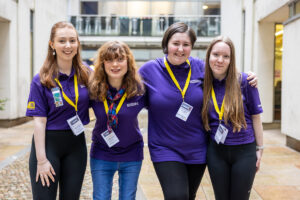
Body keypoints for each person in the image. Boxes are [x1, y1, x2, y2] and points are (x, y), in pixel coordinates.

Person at [139, 22, 258, 200]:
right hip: (165, 147)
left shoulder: (202, 68)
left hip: (198, 148)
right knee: (177, 196)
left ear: (191, 47)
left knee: (189, 196)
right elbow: (128, 96)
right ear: (166, 44)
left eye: (186, 45)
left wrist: (249, 77)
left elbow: (226, 75)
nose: (180, 49)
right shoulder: (149, 70)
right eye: (175, 43)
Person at [26, 21, 90, 200]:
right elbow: (39, 121)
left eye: (72, 40)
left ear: (78, 44)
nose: (68, 46)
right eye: (62, 41)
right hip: (49, 145)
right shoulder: (41, 79)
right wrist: (41, 160)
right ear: (52, 44)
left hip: (76, 145)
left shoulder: (87, 75)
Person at [202, 36, 264, 200]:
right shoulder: (203, 83)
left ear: (231, 59)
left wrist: (260, 148)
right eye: (215, 54)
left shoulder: (245, 81)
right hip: (216, 151)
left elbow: (256, 118)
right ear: (208, 56)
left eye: (226, 56)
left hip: (244, 151)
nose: (220, 60)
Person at [89, 41, 145, 200]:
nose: (115, 64)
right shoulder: (93, 89)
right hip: (102, 154)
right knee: (100, 197)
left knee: (128, 197)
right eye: (109, 59)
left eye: (120, 59)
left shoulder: (139, 90)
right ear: (102, 63)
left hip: (132, 154)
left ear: (128, 62)